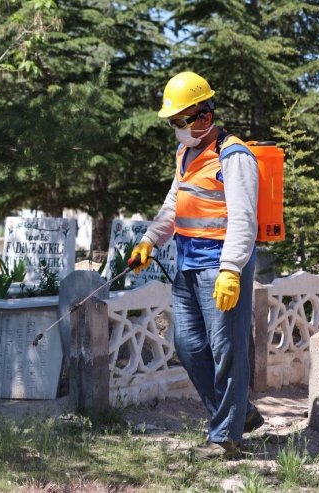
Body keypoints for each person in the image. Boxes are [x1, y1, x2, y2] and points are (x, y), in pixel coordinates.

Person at [130, 72, 264, 459]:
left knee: (227, 350)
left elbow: (243, 219)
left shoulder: (234, 155)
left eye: (179, 121)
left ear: (203, 116)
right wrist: (149, 239)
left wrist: (231, 269)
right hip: (187, 262)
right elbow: (176, 202)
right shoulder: (185, 153)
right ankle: (242, 414)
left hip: (220, 267)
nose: (176, 129)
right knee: (187, 346)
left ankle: (225, 438)